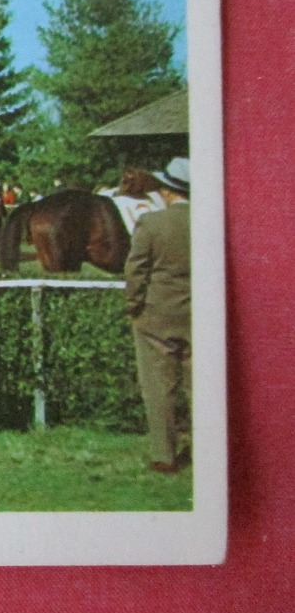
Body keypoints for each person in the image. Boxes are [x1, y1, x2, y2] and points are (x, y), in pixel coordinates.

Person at [124, 157, 192, 473]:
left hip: (157, 315)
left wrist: (133, 305)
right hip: (198, 313)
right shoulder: (210, 220)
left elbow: (136, 270)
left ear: (166, 191)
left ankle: (164, 454)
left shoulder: (152, 223)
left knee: (158, 387)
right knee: (200, 387)